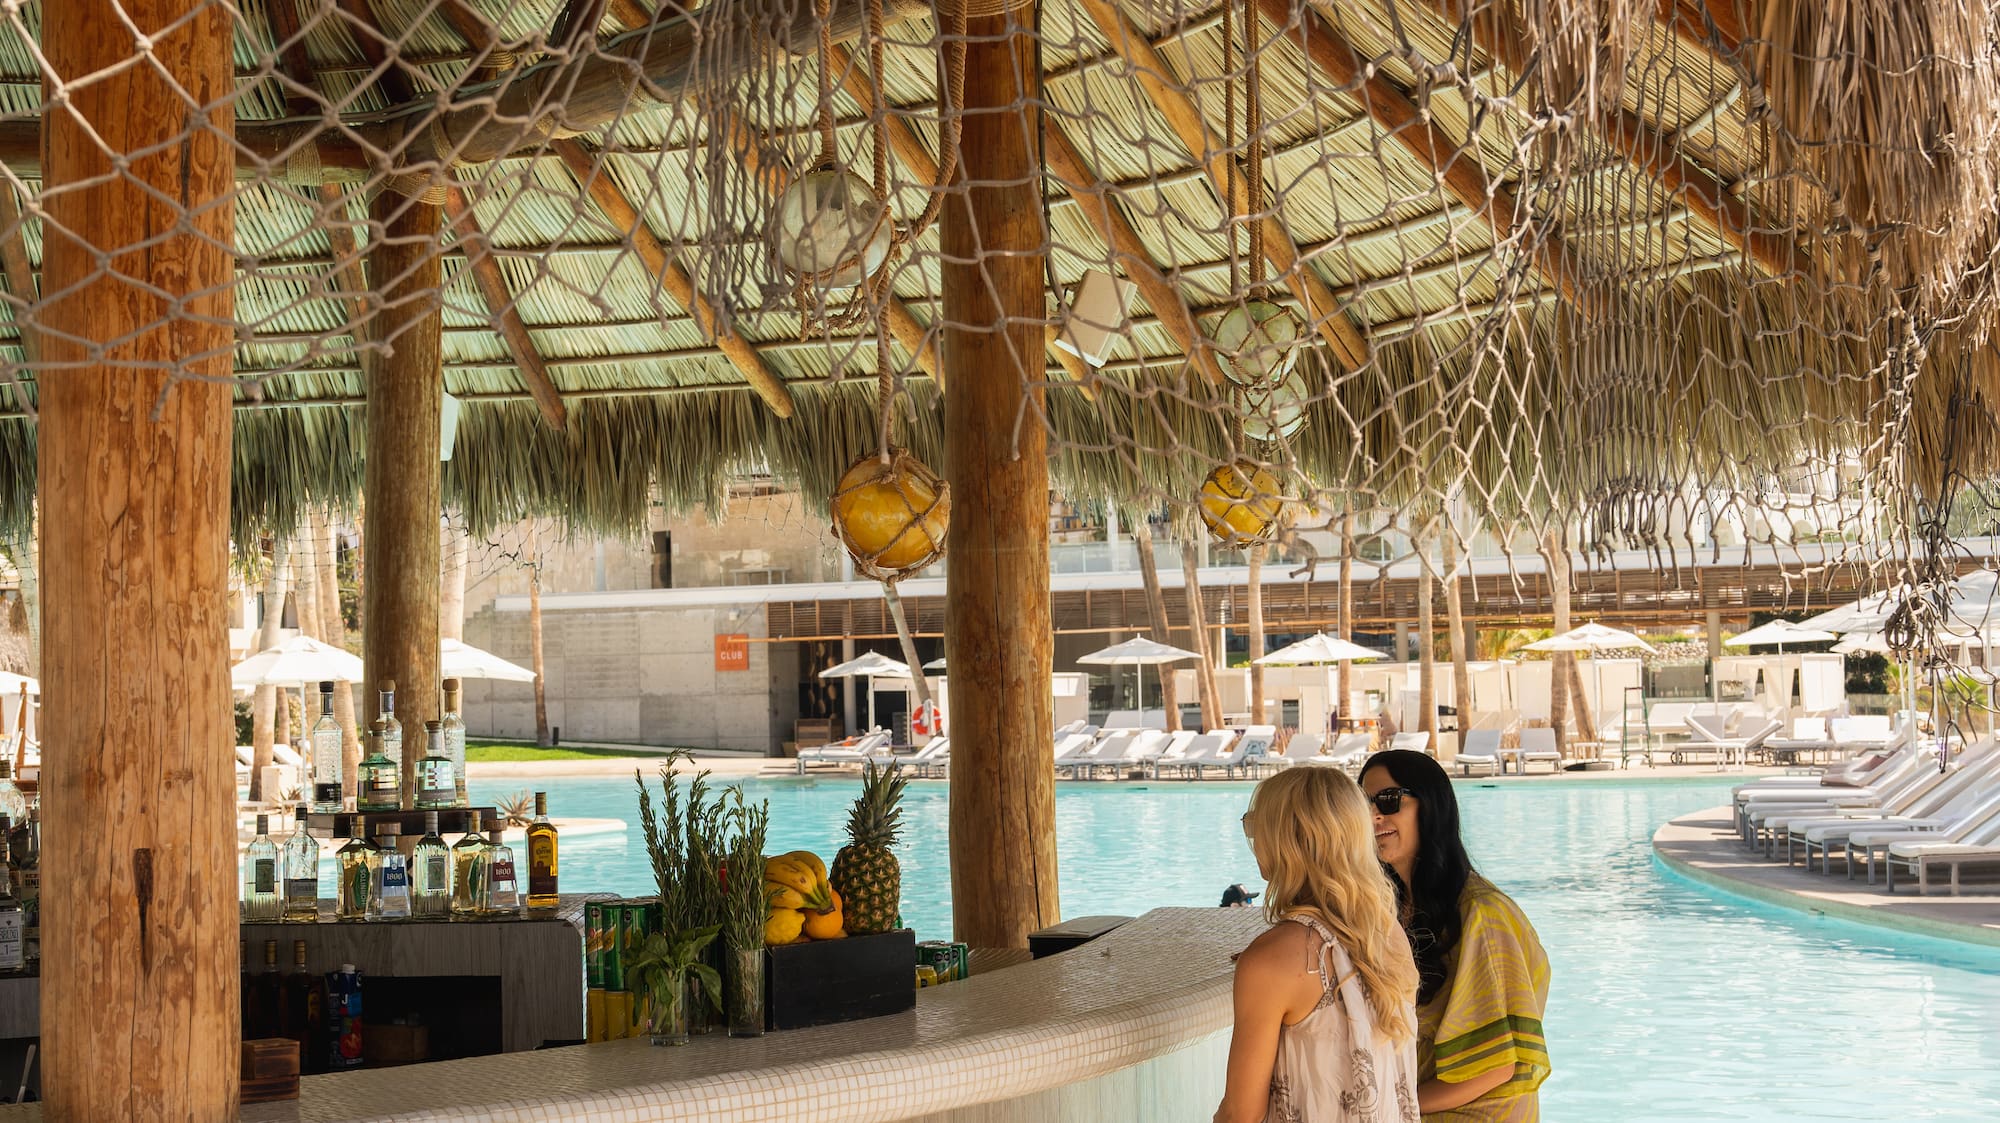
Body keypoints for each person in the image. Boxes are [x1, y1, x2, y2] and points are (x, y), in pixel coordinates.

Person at [1214, 767, 1422, 1123]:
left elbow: (1241, 1114)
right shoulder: (1388, 934)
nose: (1253, 838)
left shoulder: (1272, 958)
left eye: (1254, 825)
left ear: (1286, 837)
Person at [1359, 750, 1550, 1122]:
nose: (1373, 815)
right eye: (1362, 803)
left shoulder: (1482, 914)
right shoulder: (1396, 910)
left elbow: (1495, 1068)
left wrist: (1390, 1107)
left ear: (1430, 807)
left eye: (1388, 800)